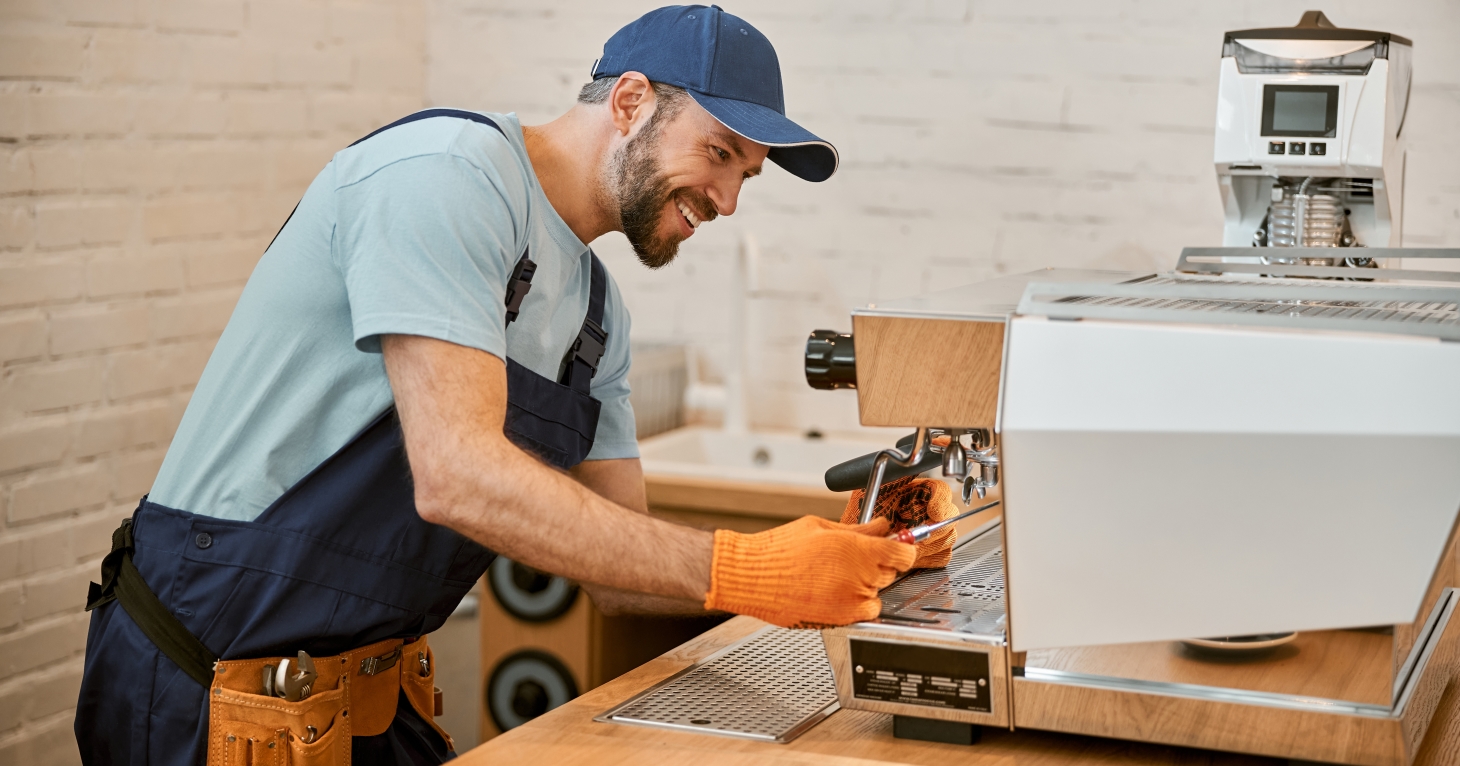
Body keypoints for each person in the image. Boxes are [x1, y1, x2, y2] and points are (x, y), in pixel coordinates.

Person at [76, 6, 940, 764]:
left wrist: (825, 556)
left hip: (363, 702)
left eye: (745, 175)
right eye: (719, 152)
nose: (726, 199)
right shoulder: (447, 178)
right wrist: (742, 567)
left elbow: (623, 572)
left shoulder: (600, 318)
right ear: (632, 102)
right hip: (209, 672)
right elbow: (458, 476)